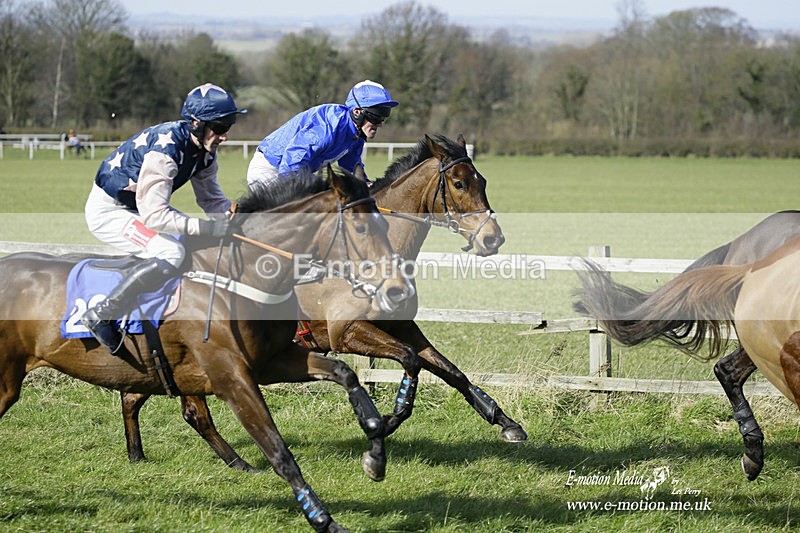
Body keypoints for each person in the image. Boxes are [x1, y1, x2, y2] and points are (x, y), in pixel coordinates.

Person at [81, 83, 246, 352]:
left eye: (229, 126)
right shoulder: (165, 152)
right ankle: (102, 314)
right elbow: (155, 216)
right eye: (219, 127)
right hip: (110, 211)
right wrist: (207, 227)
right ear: (196, 123)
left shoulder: (204, 152)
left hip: (138, 209)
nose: (224, 136)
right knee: (172, 253)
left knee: (196, 245)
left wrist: (230, 218)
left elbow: (210, 199)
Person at [246, 80, 398, 188]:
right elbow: (291, 165)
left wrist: (366, 184)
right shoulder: (326, 126)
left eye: (384, 117)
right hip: (271, 169)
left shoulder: (356, 135)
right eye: (376, 117)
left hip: (294, 171)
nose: (380, 123)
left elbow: (350, 166)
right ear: (357, 112)